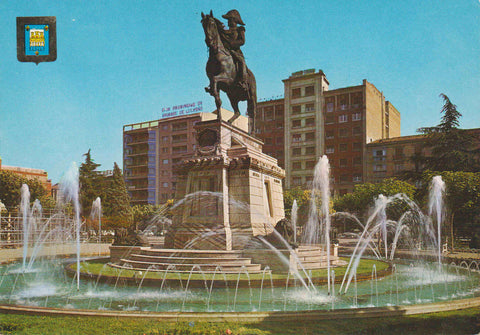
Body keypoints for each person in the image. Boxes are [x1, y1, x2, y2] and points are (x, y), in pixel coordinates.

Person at [221, 10, 248, 90]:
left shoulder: (240, 29)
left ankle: (243, 82)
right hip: (226, 51)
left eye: (230, 20)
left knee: (241, 62)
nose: (228, 22)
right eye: (228, 20)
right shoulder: (225, 32)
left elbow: (242, 41)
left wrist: (231, 43)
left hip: (236, 52)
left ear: (235, 20)